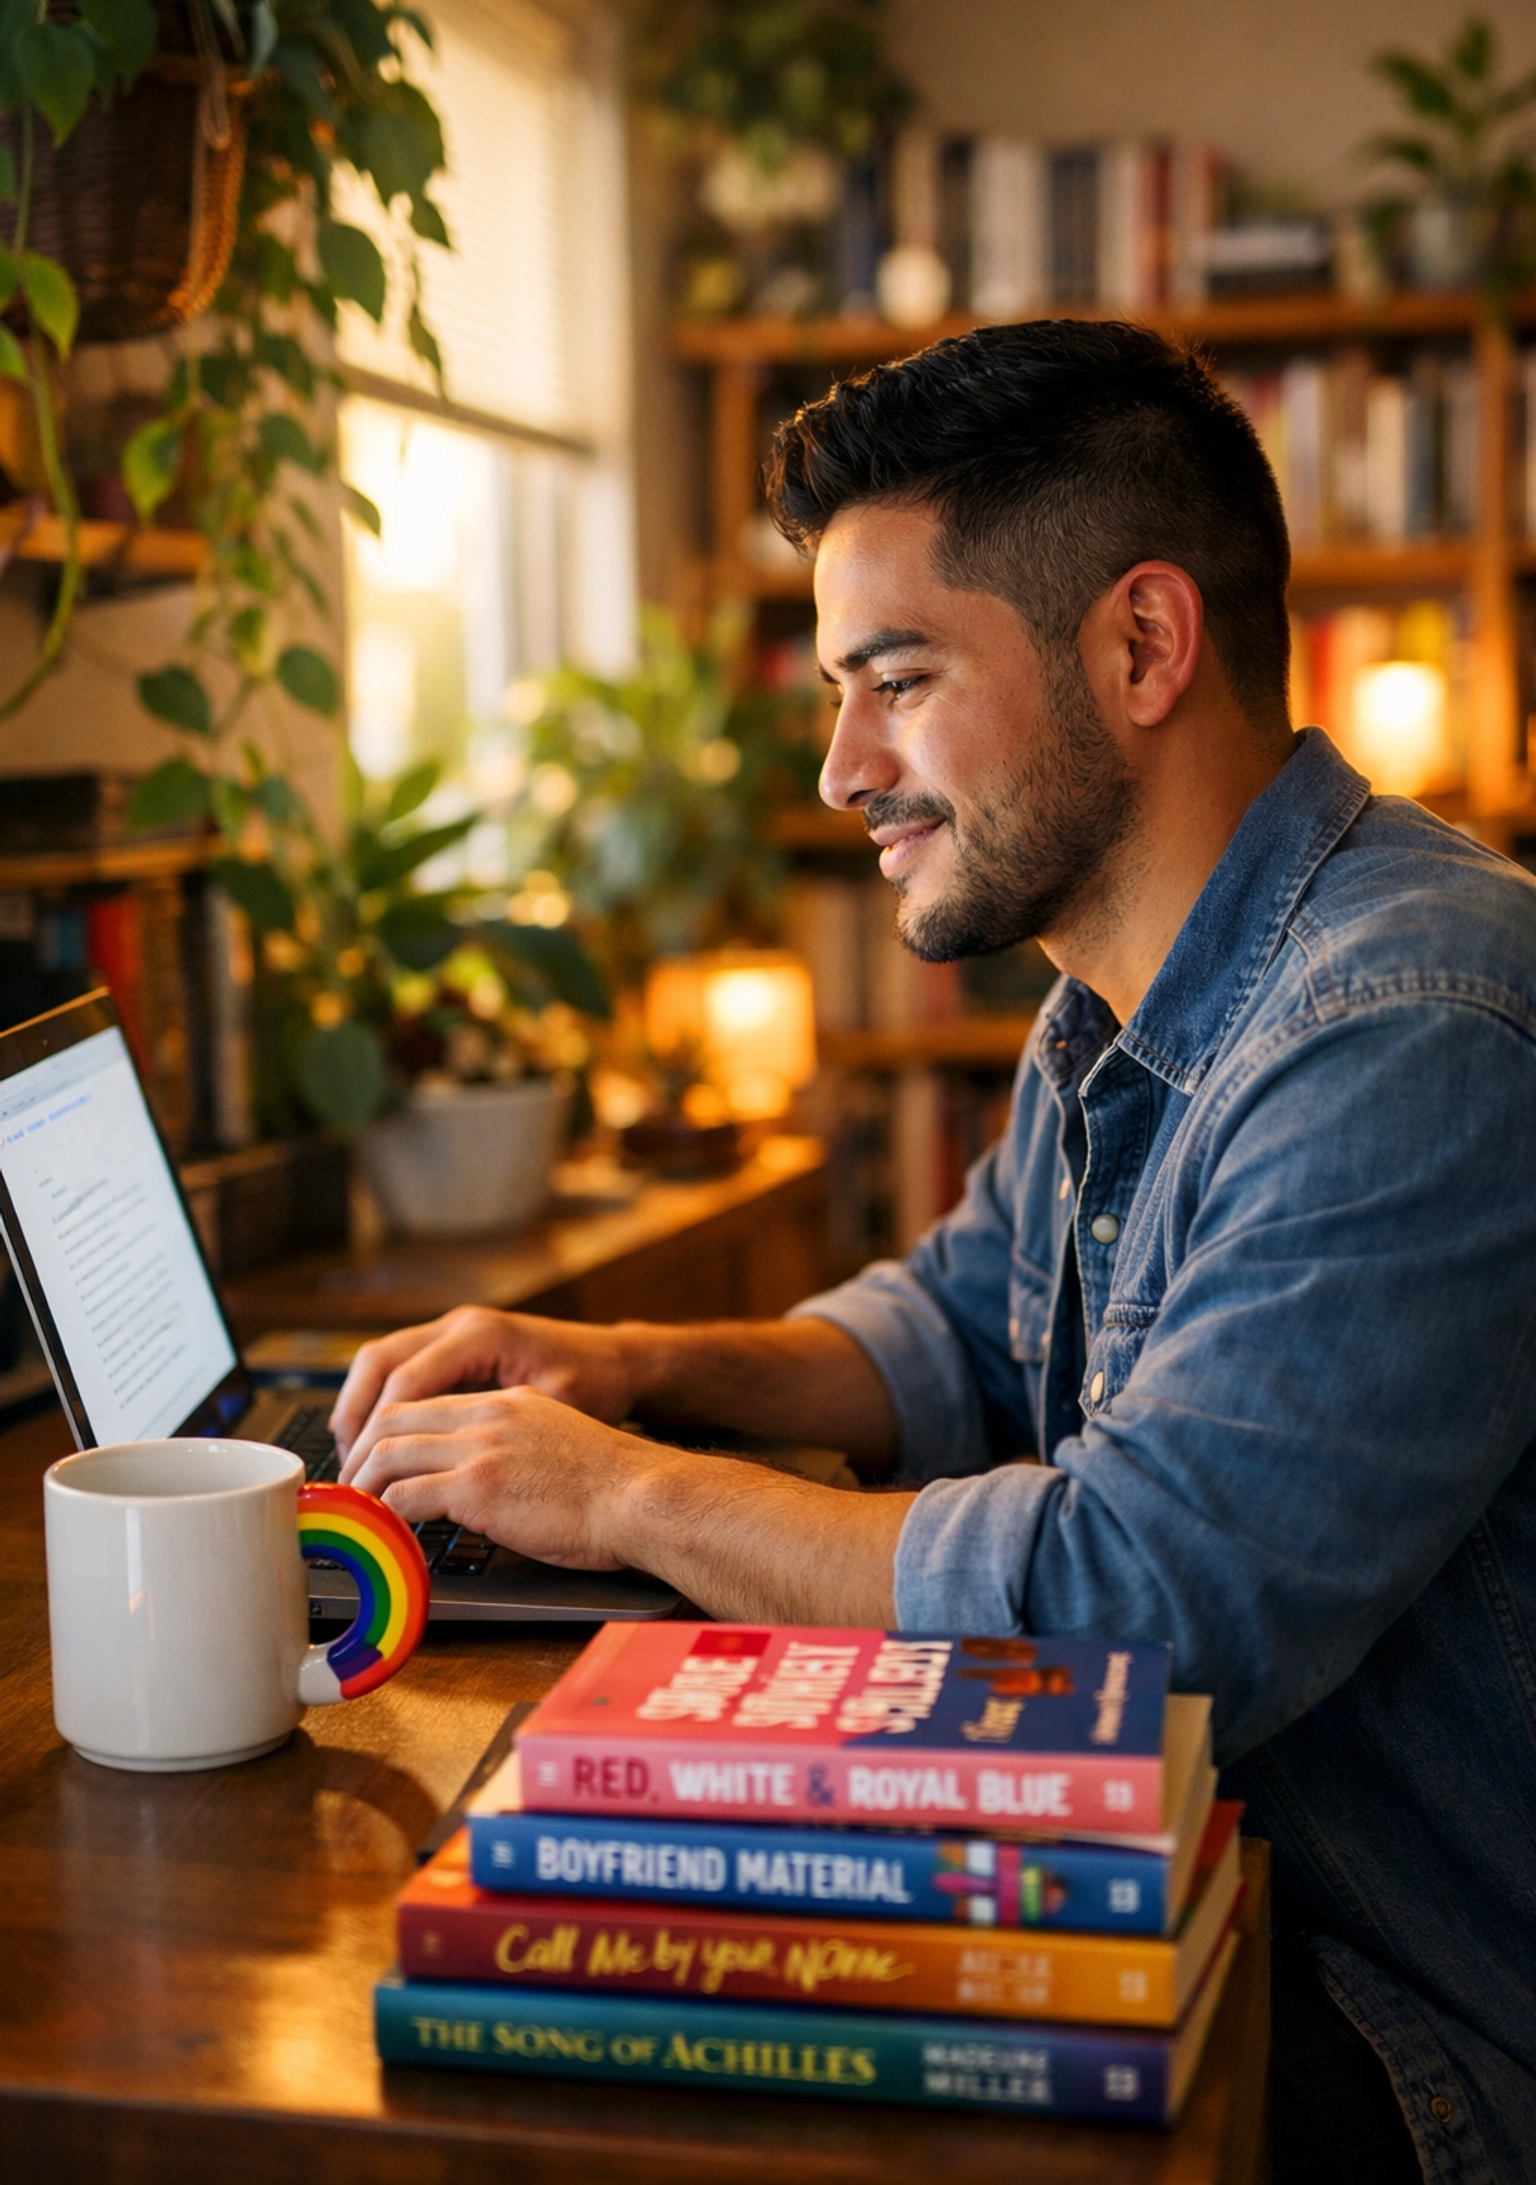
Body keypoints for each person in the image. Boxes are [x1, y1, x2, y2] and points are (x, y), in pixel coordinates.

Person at [331, 322, 1536, 2182]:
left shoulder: (1412, 1024)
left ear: (1143, 645)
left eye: (894, 680)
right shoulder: (1118, 987)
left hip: (1414, 2022)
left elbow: (1140, 1603)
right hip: (1210, 1881)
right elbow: (956, 1322)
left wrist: (633, 1495)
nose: (837, 767)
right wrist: (631, 1369)